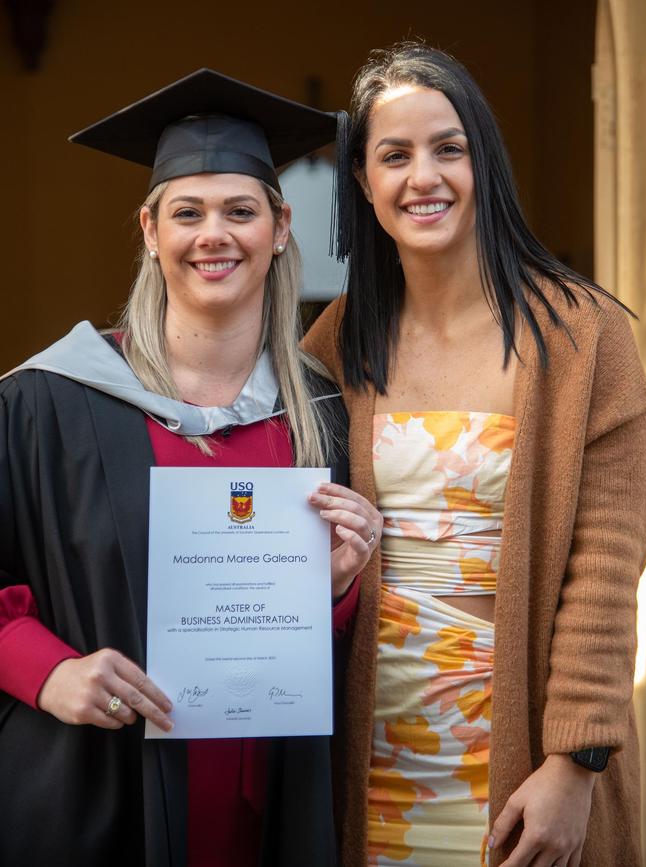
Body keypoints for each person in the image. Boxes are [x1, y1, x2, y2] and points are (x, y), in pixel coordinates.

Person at [0, 69, 382, 867]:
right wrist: (48, 672)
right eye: (188, 212)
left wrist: (340, 585)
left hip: (272, 805)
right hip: (96, 798)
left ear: (280, 227)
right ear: (149, 228)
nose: (215, 234)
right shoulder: (44, 404)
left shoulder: (322, 416)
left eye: (241, 211)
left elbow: (329, 640)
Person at [304, 42, 646, 867]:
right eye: (395, 155)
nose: (423, 176)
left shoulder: (585, 337)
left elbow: (607, 567)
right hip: (374, 747)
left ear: (482, 162)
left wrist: (575, 762)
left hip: (524, 748)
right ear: (363, 182)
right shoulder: (331, 347)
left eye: (447, 149)